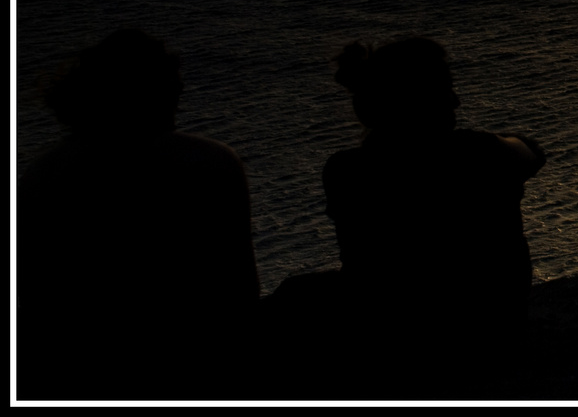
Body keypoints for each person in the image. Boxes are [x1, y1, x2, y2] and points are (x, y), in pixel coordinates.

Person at [266, 36, 545, 396]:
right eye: (447, 90)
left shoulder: (346, 171)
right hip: (491, 335)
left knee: (293, 299)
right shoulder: (483, 152)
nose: (457, 100)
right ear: (423, 100)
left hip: (393, 338)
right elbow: (532, 151)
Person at [17, 29, 260, 400]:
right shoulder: (211, 162)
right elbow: (238, 285)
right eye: (171, 81)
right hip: (193, 363)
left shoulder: (42, 173)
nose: (180, 91)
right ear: (151, 90)